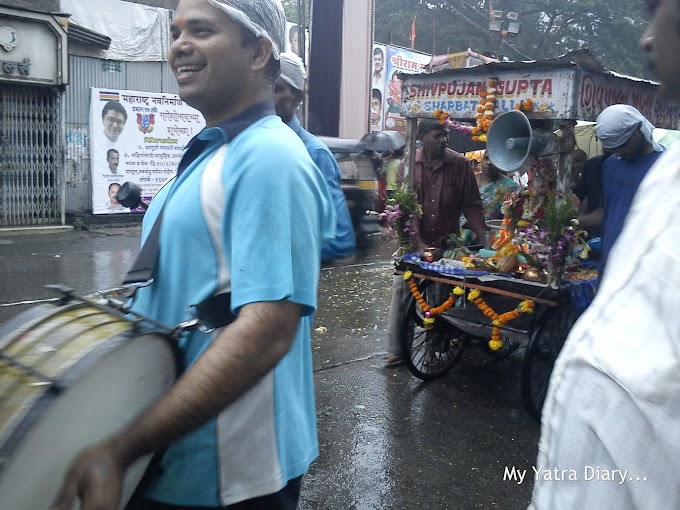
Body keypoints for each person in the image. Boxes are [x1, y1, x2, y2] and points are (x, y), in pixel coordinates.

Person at [53, 1, 334, 510]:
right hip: (170, 458)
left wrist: (118, 451)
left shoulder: (269, 156)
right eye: (177, 30)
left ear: (259, 53)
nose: (180, 44)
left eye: (202, 30)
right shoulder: (212, 152)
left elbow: (266, 330)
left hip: (227, 474)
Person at [529, 1, 680, 508]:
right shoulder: (615, 168)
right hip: (607, 273)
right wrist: (566, 220)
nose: (645, 38)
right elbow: (605, 218)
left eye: (659, 8)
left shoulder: (665, 169)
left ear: (639, 132)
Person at [383, 119, 485, 367]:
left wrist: (486, 242)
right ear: (423, 136)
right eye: (437, 135)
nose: (443, 140)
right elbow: (405, 209)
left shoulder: (460, 165)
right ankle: (398, 349)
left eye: (445, 135)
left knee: (439, 298)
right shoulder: (408, 166)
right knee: (402, 290)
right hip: (414, 243)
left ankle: (433, 348)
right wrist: (415, 243)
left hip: (446, 243)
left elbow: (471, 206)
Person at [274, 51, 355, 263]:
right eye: (263, 89)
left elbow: (340, 241)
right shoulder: (250, 146)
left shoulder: (314, 155)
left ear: (297, 97)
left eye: (276, 89)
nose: (267, 98)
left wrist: (272, 250)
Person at [579, 104, 664, 269]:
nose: (617, 153)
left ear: (638, 132)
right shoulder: (610, 164)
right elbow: (609, 210)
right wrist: (573, 222)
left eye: (621, 146)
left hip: (645, 270)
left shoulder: (666, 166)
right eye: (612, 148)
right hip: (609, 264)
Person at [475, 150, 519, 221]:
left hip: (493, 230)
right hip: (463, 229)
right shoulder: (469, 180)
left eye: (493, 160)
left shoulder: (510, 186)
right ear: (481, 160)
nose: (489, 163)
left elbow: (513, 216)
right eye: (486, 158)